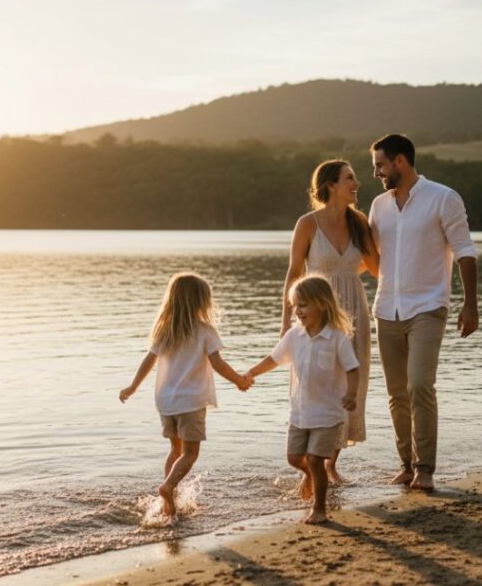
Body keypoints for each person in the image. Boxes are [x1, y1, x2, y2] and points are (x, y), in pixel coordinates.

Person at [369, 134, 478, 491]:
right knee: (397, 393)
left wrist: (470, 303)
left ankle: (426, 467)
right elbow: (369, 256)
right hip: (386, 309)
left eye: (380, 165)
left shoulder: (443, 198)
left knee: (419, 385)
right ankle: (406, 464)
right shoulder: (379, 206)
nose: (376, 173)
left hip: (428, 307)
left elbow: (464, 251)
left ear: (401, 161)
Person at [119, 272, 251, 517]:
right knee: (190, 454)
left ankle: (171, 498)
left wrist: (132, 387)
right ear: (202, 302)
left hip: (166, 402)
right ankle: (168, 487)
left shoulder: (164, 331)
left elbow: (148, 362)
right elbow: (218, 364)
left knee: (175, 450)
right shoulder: (205, 331)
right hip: (191, 401)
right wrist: (239, 381)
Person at [281, 159, 379, 484]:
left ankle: (328, 464)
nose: (356, 184)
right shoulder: (307, 223)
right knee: (315, 384)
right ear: (330, 185)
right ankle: (310, 461)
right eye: (350, 178)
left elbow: (377, 268)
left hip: (353, 312)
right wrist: (285, 325)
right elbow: (294, 274)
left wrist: (346, 273)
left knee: (350, 384)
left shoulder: (359, 222)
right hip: (314, 314)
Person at [249, 274, 359, 524]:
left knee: (316, 459)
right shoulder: (293, 336)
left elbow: (353, 368)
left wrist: (351, 393)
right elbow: (274, 359)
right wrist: (251, 373)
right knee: (294, 457)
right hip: (299, 412)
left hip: (328, 414)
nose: (297, 311)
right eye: (295, 305)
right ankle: (308, 474)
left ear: (321, 304)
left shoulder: (337, 338)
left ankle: (319, 508)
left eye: (303, 305)